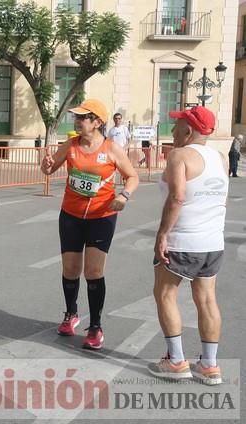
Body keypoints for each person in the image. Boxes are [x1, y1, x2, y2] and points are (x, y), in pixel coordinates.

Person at [41, 99, 139, 350]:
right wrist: (47, 166)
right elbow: (50, 170)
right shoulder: (71, 145)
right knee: (71, 269)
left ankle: (95, 326)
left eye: (83, 118)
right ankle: (71, 314)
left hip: (101, 216)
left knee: (93, 272)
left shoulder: (112, 148)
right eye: (77, 117)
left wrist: (124, 196)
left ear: (97, 122)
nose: (77, 121)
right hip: (71, 215)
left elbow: (132, 177)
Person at [148, 106, 228, 386]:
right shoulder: (220, 158)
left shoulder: (179, 155)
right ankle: (209, 365)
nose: (173, 130)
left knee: (165, 294)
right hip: (213, 242)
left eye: (177, 125)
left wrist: (162, 234)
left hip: (183, 240)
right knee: (207, 300)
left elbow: (178, 197)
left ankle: (176, 361)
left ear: (189, 130)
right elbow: (222, 200)